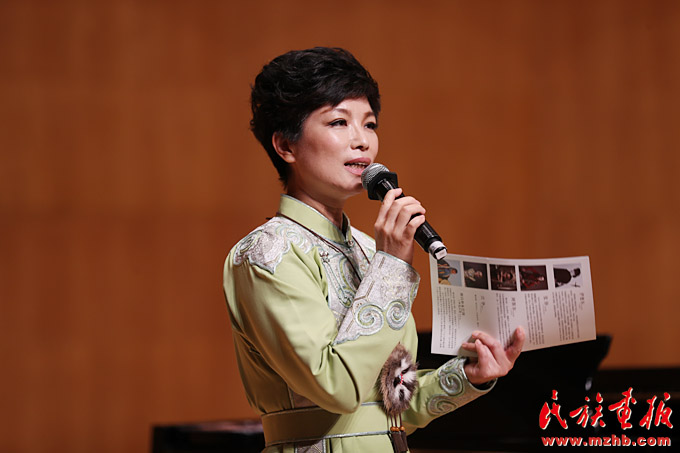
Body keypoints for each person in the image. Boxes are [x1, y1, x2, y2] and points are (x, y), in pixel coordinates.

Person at [223, 47, 525, 452]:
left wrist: (467, 375)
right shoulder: (267, 253)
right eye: (338, 122)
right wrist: (392, 268)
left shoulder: (371, 250)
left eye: (369, 124)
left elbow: (395, 406)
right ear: (286, 146)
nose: (362, 140)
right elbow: (337, 388)